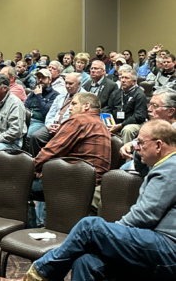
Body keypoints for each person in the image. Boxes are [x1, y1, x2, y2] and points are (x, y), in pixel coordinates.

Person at [11, 119, 176, 281]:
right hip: (156, 244)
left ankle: (36, 277)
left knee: (89, 228)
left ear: (159, 145)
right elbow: (142, 169)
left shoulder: (170, 169)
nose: (137, 147)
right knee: (86, 262)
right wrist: (136, 148)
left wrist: (107, 235)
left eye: (141, 143)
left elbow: (145, 216)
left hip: (168, 249)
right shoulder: (164, 163)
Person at [28, 92, 111, 227]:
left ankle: (27, 236)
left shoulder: (79, 120)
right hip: (90, 184)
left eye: (74, 104)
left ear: (86, 106)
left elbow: (51, 151)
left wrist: (29, 169)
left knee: (18, 187)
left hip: (74, 184)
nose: (69, 108)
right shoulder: (101, 125)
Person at [28, 73, 84, 157]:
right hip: (53, 125)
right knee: (35, 136)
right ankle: (35, 163)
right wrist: (49, 125)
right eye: (66, 83)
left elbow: (79, 119)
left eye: (71, 83)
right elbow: (51, 113)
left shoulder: (84, 97)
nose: (67, 86)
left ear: (79, 84)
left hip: (69, 129)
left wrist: (62, 127)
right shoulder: (62, 94)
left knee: (58, 143)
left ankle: (52, 165)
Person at [109, 68, 148, 144]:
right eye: (122, 78)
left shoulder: (139, 95)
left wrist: (121, 125)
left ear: (134, 82)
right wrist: (107, 120)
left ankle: (125, 153)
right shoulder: (116, 93)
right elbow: (108, 108)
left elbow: (139, 116)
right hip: (116, 123)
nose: (123, 80)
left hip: (135, 124)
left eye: (126, 78)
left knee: (127, 130)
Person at [24, 69, 59, 137]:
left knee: (29, 135)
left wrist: (39, 95)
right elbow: (26, 106)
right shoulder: (34, 91)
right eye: (38, 78)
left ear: (50, 80)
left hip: (40, 121)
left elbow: (46, 112)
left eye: (43, 78)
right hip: (27, 119)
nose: (40, 80)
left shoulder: (55, 95)